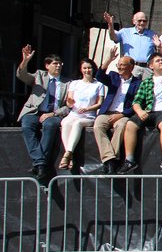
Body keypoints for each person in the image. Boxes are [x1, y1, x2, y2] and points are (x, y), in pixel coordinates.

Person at [118, 53, 162, 174]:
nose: (161, 62)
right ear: (151, 66)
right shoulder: (147, 82)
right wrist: (139, 111)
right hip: (151, 111)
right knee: (130, 124)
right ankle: (129, 160)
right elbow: (137, 102)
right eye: (158, 61)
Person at [17, 45, 70, 181]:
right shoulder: (40, 75)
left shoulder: (67, 82)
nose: (58, 66)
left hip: (54, 114)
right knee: (27, 124)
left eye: (60, 64)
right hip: (34, 111)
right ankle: (41, 163)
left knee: (50, 126)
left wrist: (53, 114)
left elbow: (68, 106)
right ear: (47, 65)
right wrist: (25, 60)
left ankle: (39, 165)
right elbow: (22, 75)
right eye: (55, 64)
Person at [93, 48, 141, 174]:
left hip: (123, 114)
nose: (119, 67)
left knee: (121, 127)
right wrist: (109, 59)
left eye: (122, 65)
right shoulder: (114, 77)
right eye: (118, 65)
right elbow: (98, 75)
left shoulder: (138, 83)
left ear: (131, 67)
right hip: (108, 111)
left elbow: (137, 103)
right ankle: (110, 160)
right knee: (98, 126)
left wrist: (121, 115)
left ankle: (109, 162)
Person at [58, 59, 105, 170]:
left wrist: (87, 108)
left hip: (89, 115)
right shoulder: (74, 83)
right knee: (65, 122)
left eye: (89, 68)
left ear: (93, 69)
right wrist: (70, 102)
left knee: (77, 124)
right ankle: (69, 154)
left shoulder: (98, 85)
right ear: (81, 69)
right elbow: (69, 101)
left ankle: (68, 154)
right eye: (84, 68)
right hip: (74, 113)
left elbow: (100, 103)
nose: (87, 70)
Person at [103, 11, 156, 76]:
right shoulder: (125, 32)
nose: (142, 23)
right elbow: (113, 37)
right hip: (131, 68)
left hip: (147, 69)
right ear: (134, 21)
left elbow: (157, 51)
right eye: (139, 21)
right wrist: (111, 25)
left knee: (147, 86)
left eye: (144, 21)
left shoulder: (152, 34)